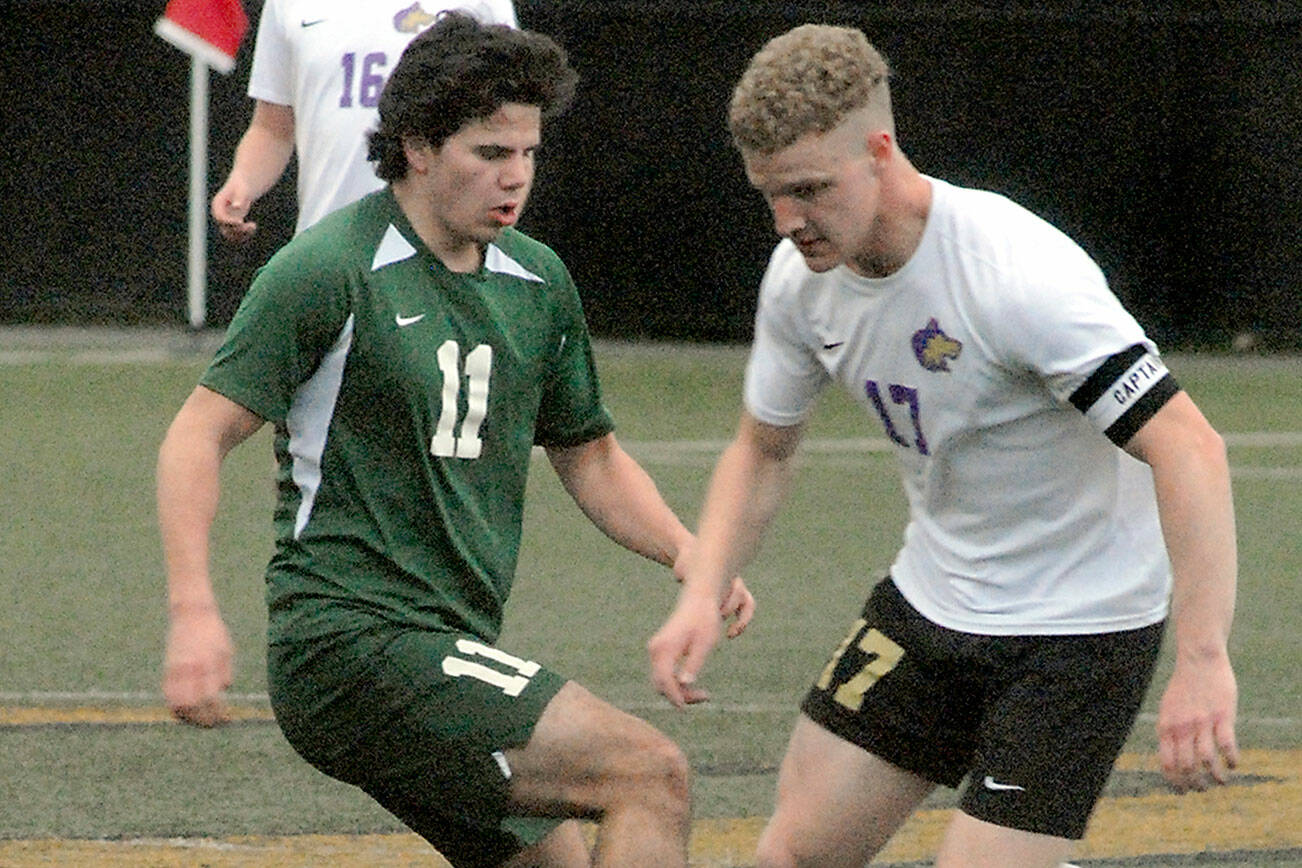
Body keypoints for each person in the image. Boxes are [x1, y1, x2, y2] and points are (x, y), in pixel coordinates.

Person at [161, 14, 753, 867]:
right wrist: (193, 612)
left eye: (528, 154)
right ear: (417, 147)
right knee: (646, 773)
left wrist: (687, 551)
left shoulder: (538, 280)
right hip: (352, 647)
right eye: (490, 153)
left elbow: (589, 455)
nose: (516, 178)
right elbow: (196, 434)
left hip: (451, 646)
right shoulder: (331, 267)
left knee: (556, 862)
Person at [648, 23, 1239, 868]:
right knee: (790, 855)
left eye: (810, 189)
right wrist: (702, 590)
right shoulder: (801, 283)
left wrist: (1204, 659)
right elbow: (763, 449)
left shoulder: (1016, 275)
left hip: (1078, 633)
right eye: (770, 195)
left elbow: (1189, 447)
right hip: (932, 602)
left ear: (880, 151)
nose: (788, 222)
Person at [211, 0, 517, 241]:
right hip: (328, 245)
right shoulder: (287, 4)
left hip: (440, 252)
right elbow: (272, 128)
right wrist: (243, 183)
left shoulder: (483, 4)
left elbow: (511, 127)